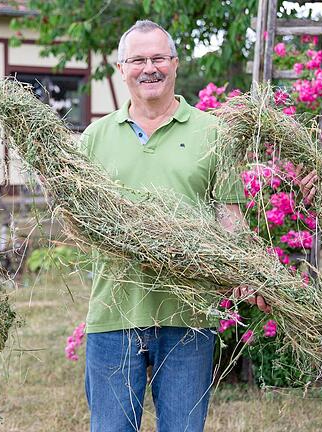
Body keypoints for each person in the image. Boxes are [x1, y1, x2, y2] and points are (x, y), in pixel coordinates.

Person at [79, 19, 265, 432]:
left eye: (159, 58)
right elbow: (79, 220)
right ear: (122, 68)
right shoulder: (94, 138)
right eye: (138, 59)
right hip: (114, 314)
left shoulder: (213, 133)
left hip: (188, 317)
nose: (150, 68)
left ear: (175, 64)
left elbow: (230, 217)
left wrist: (246, 270)